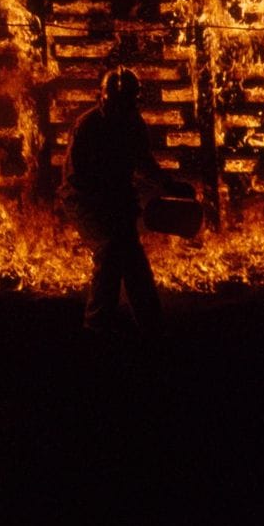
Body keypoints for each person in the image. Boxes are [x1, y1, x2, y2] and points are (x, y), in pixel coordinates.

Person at [66, 68, 183, 337]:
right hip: (85, 202)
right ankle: (97, 326)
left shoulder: (134, 125)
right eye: (116, 103)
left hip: (117, 201)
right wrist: (108, 207)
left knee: (133, 261)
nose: (121, 109)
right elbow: (76, 179)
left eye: (127, 104)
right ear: (102, 98)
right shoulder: (87, 126)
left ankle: (151, 327)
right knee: (110, 249)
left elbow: (144, 164)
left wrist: (168, 185)